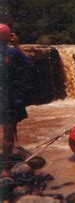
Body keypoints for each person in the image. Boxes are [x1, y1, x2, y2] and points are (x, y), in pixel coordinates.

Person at [0, 24, 31, 176]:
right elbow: (27, 63)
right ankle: (5, 169)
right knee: (7, 133)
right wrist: (17, 44)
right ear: (7, 36)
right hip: (8, 98)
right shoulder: (12, 51)